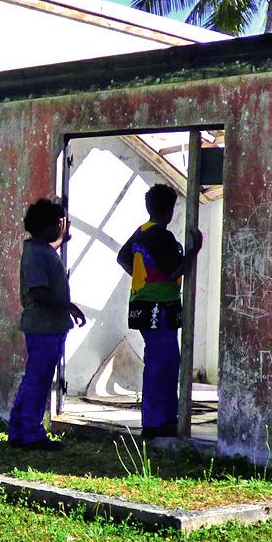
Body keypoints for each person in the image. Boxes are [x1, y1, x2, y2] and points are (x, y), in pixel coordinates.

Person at [116, 183, 200, 440]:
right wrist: (195, 250)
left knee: (161, 361)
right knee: (162, 363)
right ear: (170, 210)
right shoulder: (161, 236)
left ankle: (161, 418)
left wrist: (141, 279)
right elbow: (175, 271)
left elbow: (122, 257)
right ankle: (156, 422)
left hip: (145, 305)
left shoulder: (141, 232)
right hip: (158, 308)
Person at [8, 198, 85, 449]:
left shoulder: (40, 250)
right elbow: (39, 292)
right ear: (45, 226)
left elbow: (48, 249)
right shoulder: (37, 255)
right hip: (44, 327)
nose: (60, 227)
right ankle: (31, 433)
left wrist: (61, 240)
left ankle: (19, 429)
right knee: (38, 381)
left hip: (47, 327)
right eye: (57, 223)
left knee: (34, 378)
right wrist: (68, 306)